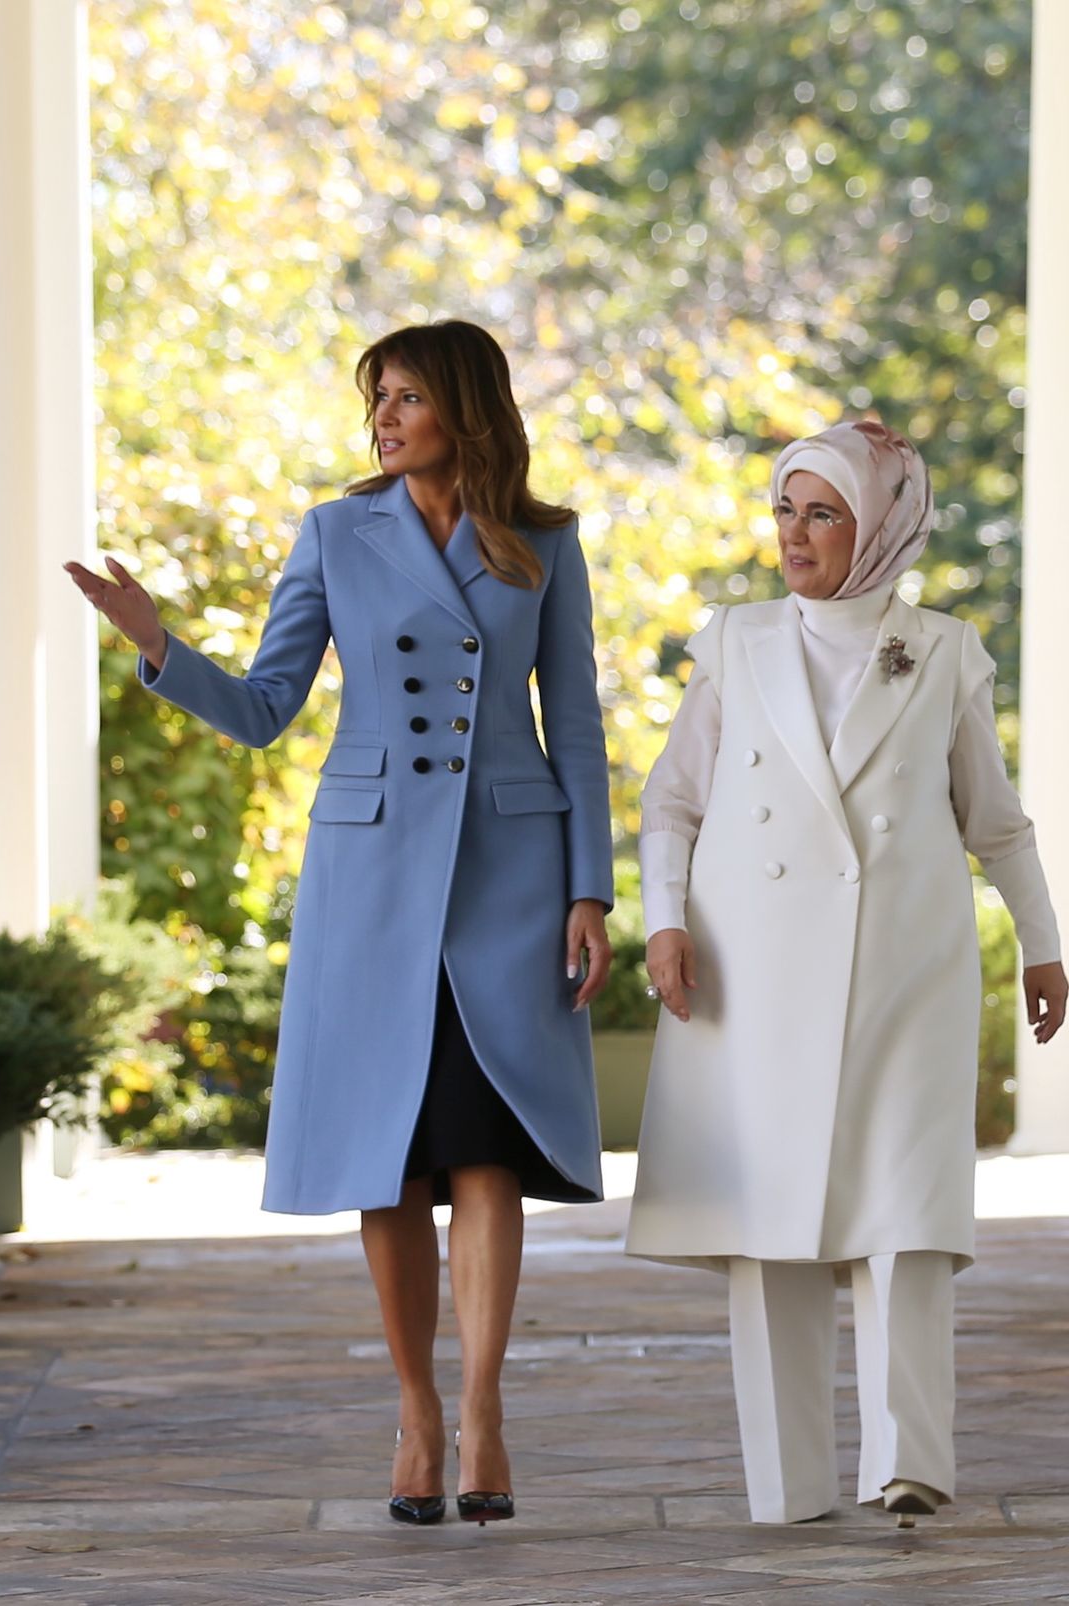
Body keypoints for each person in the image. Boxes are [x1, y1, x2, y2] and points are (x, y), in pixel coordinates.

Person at [67, 319, 614, 1527]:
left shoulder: (545, 540)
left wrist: (590, 888)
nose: (381, 417)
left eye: (405, 395)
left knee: (486, 1148)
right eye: (375, 397)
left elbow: (572, 721)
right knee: (393, 1157)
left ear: (462, 407)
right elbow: (268, 707)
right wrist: (158, 643)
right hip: (369, 877)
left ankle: (481, 1412)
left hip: (509, 873)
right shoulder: (335, 531)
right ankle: (414, 1409)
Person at [626, 418, 1066, 1526]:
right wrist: (662, 921)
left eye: (822, 512)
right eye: (784, 508)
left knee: (904, 1211)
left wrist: (1044, 941)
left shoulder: (945, 650)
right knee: (769, 1223)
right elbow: (670, 803)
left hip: (902, 967)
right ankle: (785, 1486)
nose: (794, 534)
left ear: (877, 526)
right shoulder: (732, 639)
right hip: (749, 965)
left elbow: (995, 823)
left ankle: (907, 1461)